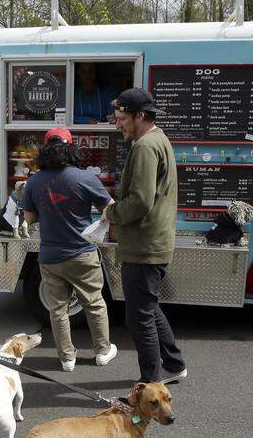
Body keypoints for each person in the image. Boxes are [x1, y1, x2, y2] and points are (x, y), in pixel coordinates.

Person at [103, 89, 187, 384]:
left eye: (123, 118)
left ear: (140, 116)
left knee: (139, 318)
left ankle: (150, 385)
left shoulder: (144, 147)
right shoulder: (158, 139)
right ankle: (174, 365)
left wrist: (112, 212)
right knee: (148, 308)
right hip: (155, 242)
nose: (118, 124)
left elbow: (139, 201)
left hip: (144, 246)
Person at [21, 127, 118, 371]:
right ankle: (102, 352)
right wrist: (99, 225)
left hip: (50, 256)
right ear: (70, 148)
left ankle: (67, 358)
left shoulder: (34, 181)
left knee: (58, 309)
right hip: (82, 253)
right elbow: (111, 208)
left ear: (45, 149)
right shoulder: (85, 178)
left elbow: (29, 218)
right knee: (94, 303)